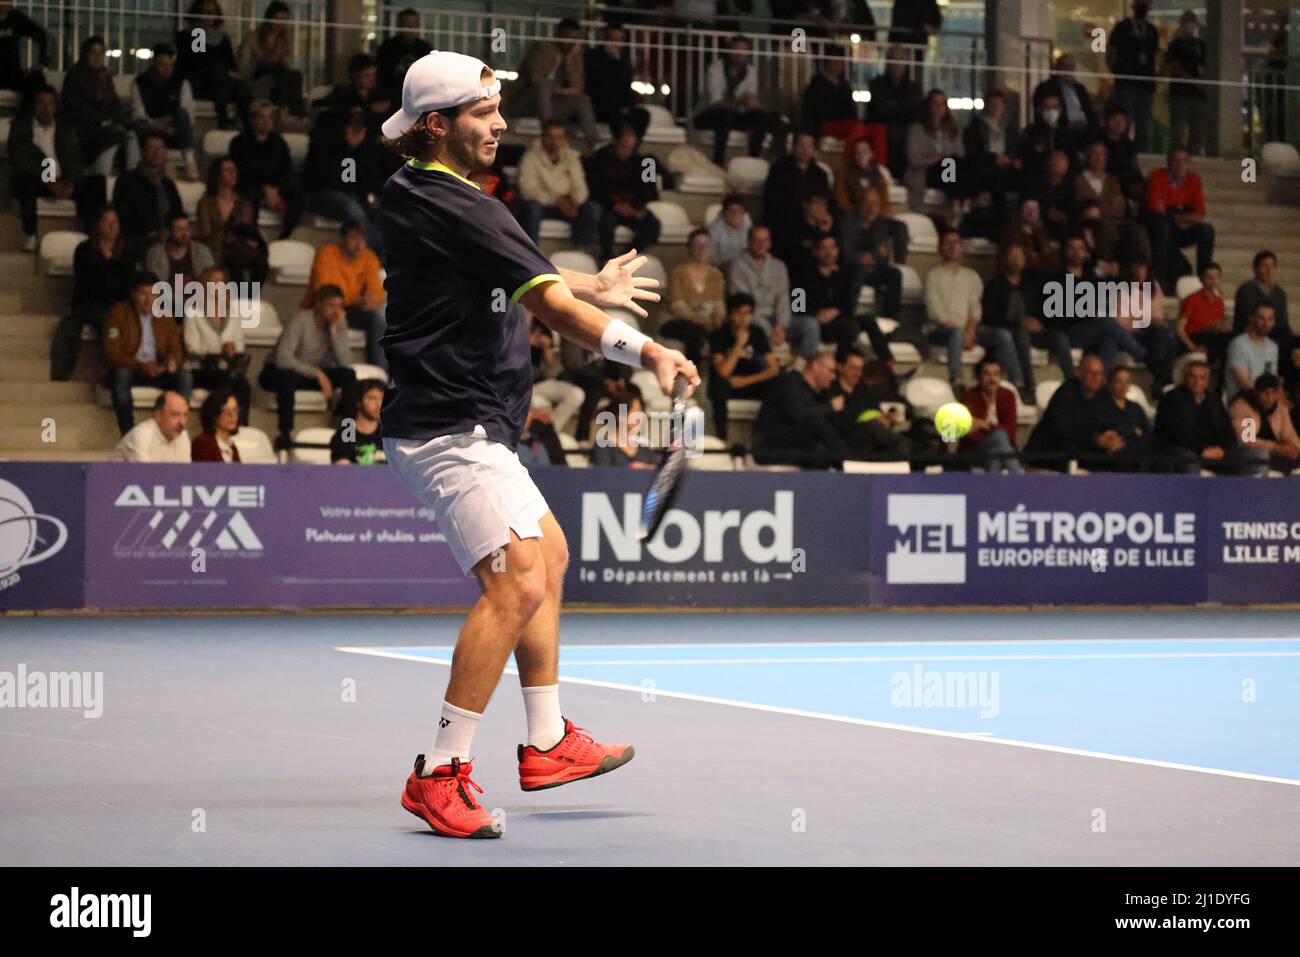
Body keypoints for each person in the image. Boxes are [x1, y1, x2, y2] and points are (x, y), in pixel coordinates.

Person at [375, 51, 695, 838]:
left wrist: (582, 283)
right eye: (483, 112)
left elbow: (507, 270)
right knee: (517, 581)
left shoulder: (417, 191)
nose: (500, 123)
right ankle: (440, 770)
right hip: (450, 428)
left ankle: (548, 740)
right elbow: (544, 306)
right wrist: (645, 350)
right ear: (437, 125)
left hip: (472, 423)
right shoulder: (465, 205)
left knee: (547, 557)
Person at [924, 230, 1018, 392]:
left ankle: (1016, 382)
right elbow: (934, 309)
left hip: (967, 329)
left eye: (956, 242)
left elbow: (975, 307)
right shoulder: (933, 275)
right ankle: (957, 380)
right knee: (955, 333)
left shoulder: (971, 275)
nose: (953, 246)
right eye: (948, 243)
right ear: (940, 248)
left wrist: (970, 330)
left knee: (1003, 335)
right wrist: (961, 332)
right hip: (940, 330)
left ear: (962, 247)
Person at [259, 284, 356, 440]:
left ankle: (346, 434)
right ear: (318, 304)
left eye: (339, 306)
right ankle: (285, 433)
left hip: (308, 374)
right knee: (287, 377)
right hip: (277, 371)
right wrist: (317, 374)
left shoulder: (338, 324)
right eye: (331, 305)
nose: (335, 311)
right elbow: (283, 359)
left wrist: (335, 333)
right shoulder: (300, 320)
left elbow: (345, 362)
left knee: (348, 376)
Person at [103, 272, 193, 436]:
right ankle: (128, 434)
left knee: (184, 375)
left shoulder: (165, 315)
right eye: (143, 294)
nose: (148, 299)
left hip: (157, 369)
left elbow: (176, 350)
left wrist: (170, 362)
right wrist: (140, 366)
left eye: (153, 294)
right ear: (133, 294)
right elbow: (113, 352)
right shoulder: (118, 313)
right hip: (131, 367)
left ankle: (174, 427)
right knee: (121, 375)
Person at [6, 86, 95, 251]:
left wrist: (70, 182)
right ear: (33, 106)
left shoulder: (64, 129)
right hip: (37, 178)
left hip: (60, 179)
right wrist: (49, 181)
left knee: (94, 184)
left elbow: (74, 159)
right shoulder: (21, 128)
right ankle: (31, 234)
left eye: (50, 104)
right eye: (41, 104)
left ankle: (91, 234)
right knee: (26, 180)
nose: (46, 109)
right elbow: (24, 159)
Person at [50, 206, 133, 380]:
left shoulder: (127, 254)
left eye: (115, 222)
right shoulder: (84, 250)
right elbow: (87, 284)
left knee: (119, 321)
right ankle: (110, 372)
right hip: (90, 305)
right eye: (107, 221)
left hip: (117, 306)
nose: (112, 226)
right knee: (109, 324)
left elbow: (127, 285)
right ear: (98, 226)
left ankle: (117, 371)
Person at [304, 105, 389, 257]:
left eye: (360, 126)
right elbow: (323, 179)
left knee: (381, 210)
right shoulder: (327, 145)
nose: (356, 131)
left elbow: (371, 181)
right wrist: (349, 149)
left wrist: (358, 150)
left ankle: (385, 260)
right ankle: (366, 259)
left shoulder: (368, 148)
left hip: (357, 196)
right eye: (352, 125)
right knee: (353, 211)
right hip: (325, 195)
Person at [302, 220, 387, 372]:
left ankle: (379, 372)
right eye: (353, 238)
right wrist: (357, 298)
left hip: (353, 309)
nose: (358, 244)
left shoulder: (369, 257)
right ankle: (333, 372)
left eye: (362, 239)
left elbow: (376, 293)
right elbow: (325, 292)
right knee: (333, 314)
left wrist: (370, 300)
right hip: (322, 308)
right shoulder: (326, 254)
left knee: (379, 317)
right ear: (341, 239)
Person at [692, 34, 788, 167]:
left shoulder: (750, 71)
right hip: (708, 116)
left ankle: (754, 159)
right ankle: (718, 161)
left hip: (736, 115)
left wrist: (753, 105)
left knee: (762, 117)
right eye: (736, 50)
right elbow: (716, 103)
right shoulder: (716, 69)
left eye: (743, 50)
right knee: (725, 115)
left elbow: (749, 100)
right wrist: (741, 101)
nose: (739, 54)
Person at [1155, 359, 1263, 474]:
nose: (1197, 382)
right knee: (1189, 460)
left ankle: (1249, 491)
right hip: (1183, 450)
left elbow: (1226, 429)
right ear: (1185, 378)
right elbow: (1176, 434)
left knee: (1256, 455)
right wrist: (1201, 450)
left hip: (1214, 450)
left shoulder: (1213, 399)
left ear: (1208, 380)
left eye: (1202, 378)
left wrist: (1224, 449)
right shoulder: (1171, 398)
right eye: (1193, 377)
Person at [981, 243, 1059, 396]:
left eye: (1020, 256)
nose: (1017, 260)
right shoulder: (994, 285)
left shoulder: (1031, 285)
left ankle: (1069, 380)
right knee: (1021, 334)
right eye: (1013, 256)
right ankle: (1029, 384)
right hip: (1008, 329)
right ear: (1005, 260)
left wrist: (1039, 321)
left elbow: (1042, 308)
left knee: (1059, 337)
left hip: (1032, 330)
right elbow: (990, 316)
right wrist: (1018, 322)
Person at [507, 17, 598, 146]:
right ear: (559, 35)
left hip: (552, 103)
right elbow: (534, 78)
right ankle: (551, 137)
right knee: (543, 90)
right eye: (567, 37)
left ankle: (593, 142)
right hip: (525, 100)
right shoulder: (543, 48)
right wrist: (558, 89)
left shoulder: (574, 55)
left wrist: (568, 61)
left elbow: (578, 87)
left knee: (583, 100)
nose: (570, 42)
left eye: (574, 38)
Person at [839, 184, 904, 360]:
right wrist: (868, 256)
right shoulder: (848, 221)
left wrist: (871, 256)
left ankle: (892, 323)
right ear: (859, 204)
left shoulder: (881, 224)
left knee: (894, 274)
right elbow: (846, 254)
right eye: (867, 202)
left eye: (875, 203)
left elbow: (882, 255)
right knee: (858, 270)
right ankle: (848, 318)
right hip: (849, 271)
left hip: (873, 270)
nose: (871, 207)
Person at [753, 349, 846, 468]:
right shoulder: (788, 382)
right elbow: (796, 415)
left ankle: (847, 461)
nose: (833, 377)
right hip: (770, 446)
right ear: (816, 366)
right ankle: (847, 461)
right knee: (817, 432)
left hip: (798, 445)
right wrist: (830, 407)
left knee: (821, 450)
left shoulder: (820, 395)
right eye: (831, 371)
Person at [516, 118, 600, 249]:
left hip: (567, 205)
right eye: (550, 137)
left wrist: (574, 201)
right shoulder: (530, 157)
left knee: (591, 208)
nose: (555, 142)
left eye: (559, 137)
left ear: (565, 138)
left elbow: (580, 186)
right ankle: (532, 254)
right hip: (543, 205)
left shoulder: (572, 156)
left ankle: (581, 252)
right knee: (532, 209)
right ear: (543, 137)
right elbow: (528, 190)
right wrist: (555, 200)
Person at [183, 265, 251, 423]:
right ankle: (218, 425)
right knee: (227, 382)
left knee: (243, 385)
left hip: (226, 369)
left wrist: (232, 350)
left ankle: (241, 428)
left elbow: (240, 346)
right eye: (213, 282)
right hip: (201, 369)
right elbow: (191, 348)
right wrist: (219, 351)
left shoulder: (232, 313)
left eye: (221, 282)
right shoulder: (193, 312)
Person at [583, 124, 661, 261]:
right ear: (615, 142)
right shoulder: (600, 157)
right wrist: (614, 204)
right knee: (606, 223)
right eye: (623, 146)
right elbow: (594, 188)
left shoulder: (645, 162)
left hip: (633, 208)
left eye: (630, 148)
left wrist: (637, 208)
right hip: (609, 206)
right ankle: (606, 257)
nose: (626, 151)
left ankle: (626, 257)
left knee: (653, 224)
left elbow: (650, 192)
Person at [229, 98, 304, 239]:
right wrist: (265, 188)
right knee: (249, 195)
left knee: (298, 193)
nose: (267, 121)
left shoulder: (279, 142)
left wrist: (274, 188)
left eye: (270, 117)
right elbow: (243, 172)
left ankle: (285, 236)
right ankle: (252, 239)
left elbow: (286, 169)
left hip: (274, 187)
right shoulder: (239, 143)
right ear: (252, 119)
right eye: (262, 117)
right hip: (250, 186)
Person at [709, 292, 779, 439]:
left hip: (749, 381)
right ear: (730, 315)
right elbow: (723, 372)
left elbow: (774, 369)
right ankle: (722, 438)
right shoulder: (720, 335)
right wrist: (739, 344)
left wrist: (745, 381)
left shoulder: (757, 333)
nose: (743, 318)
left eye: (747, 313)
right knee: (719, 385)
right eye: (738, 313)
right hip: (728, 383)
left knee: (779, 384)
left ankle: (764, 439)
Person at [1145, 148, 1214, 294]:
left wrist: (1175, 216)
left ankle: (1205, 278)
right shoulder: (1157, 177)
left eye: (1184, 161)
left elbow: (1199, 214)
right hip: (1158, 228)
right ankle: (1160, 278)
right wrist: (1183, 215)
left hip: (1180, 228)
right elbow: (1158, 211)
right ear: (1168, 162)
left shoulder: (1193, 180)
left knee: (1207, 230)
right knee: (1163, 226)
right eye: (1176, 160)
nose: (1180, 164)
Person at [1024, 353, 1111, 467]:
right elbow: (1063, 433)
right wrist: (1095, 440)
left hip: (1084, 449)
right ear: (1079, 373)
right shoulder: (1065, 394)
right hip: (1049, 451)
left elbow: (1108, 421)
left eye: (1099, 373)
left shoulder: (1103, 394)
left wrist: (1111, 437)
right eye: (1090, 372)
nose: (1095, 377)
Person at [60, 35, 130, 176]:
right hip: (83, 129)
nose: (98, 57)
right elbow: (76, 109)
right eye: (93, 52)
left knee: (133, 134)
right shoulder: (75, 76)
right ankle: (101, 177)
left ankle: (131, 179)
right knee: (115, 138)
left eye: (101, 53)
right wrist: (105, 121)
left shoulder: (105, 76)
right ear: (85, 54)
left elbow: (114, 104)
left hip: (104, 127)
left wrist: (120, 120)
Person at [127, 42, 197, 178]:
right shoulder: (139, 84)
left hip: (174, 131)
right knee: (139, 123)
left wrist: (169, 123)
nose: (167, 69)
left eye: (170, 65)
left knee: (182, 116)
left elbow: (186, 113)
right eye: (162, 64)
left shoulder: (181, 83)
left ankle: (190, 163)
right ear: (153, 63)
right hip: (151, 130)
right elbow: (139, 115)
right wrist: (161, 124)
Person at [659, 228, 725, 370]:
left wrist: (717, 318)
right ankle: (690, 375)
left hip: (706, 321)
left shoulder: (716, 275)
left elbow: (719, 304)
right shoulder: (678, 273)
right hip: (677, 321)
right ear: (690, 248)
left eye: (706, 245)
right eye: (697, 245)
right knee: (695, 333)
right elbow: (677, 305)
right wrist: (699, 319)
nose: (702, 249)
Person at [112, 128, 183, 259]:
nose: (156, 153)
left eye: (160, 148)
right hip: (138, 239)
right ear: (143, 152)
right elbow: (123, 216)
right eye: (152, 148)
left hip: (168, 239)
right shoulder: (127, 181)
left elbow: (178, 213)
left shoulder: (168, 184)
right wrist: (153, 233)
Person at [176, 0, 248, 130]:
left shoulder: (222, 38)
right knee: (216, 71)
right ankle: (223, 121)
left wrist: (230, 73)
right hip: (198, 82)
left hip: (220, 82)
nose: (208, 16)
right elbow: (197, 61)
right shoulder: (189, 35)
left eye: (211, 12)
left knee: (241, 86)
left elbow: (231, 64)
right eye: (204, 12)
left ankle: (246, 125)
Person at [1107, 0, 1160, 152]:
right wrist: (1117, 73)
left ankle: (1141, 154)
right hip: (1126, 82)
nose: (1144, 5)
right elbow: (1111, 52)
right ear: (1133, 5)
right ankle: (1122, 152)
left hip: (1146, 83)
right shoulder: (1122, 27)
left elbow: (1155, 56)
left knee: (1144, 124)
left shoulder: (1151, 29)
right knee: (1124, 121)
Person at [762, 130, 831, 245]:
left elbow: (824, 200)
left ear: (813, 149)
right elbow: (771, 199)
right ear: (794, 147)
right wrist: (803, 208)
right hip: (785, 221)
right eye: (801, 145)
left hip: (813, 221)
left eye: (809, 146)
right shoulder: (778, 170)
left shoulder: (820, 174)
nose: (805, 150)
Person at [904, 88, 967, 214]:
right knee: (951, 164)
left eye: (942, 104)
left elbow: (960, 154)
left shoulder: (952, 129)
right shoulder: (917, 129)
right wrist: (935, 160)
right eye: (935, 103)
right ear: (928, 105)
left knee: (958, 164)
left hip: (949, 170)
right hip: (928, 171)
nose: (939, 107)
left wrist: (945, 159)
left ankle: (961, 200)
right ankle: (960, 200)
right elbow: (914, 158)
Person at [584, 21, 648, 142]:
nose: (616, 43)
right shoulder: (593, 56)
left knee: (642, 115)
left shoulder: (624, 58)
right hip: (600, 104)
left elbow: (625, 83)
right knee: (616, 116)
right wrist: (614, 62)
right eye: (612, 38)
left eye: (620, 39)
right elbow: (600, 83)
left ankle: (633, 148)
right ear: (605, 38)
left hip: (620, 104)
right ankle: (620, 148)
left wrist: (628, 104)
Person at [236, 0, 303, 116]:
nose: (280, 24)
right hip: (257, 73)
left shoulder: (285, 39)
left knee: (295, 76)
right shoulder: (253, 37)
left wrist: (282, 58)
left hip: (279, 74)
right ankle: (281, 108)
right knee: (279, 70)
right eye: (277, 19)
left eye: (284, 20)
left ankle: (296, 113)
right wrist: (266, 59)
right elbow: (243, 67)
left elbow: (289, 66)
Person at [866, 44, 923, 179]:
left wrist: (893, 106)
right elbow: (880, 111)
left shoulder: (912, 87)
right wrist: (900, 108)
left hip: (905, 135)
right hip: (882, 132)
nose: (897, 65)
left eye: (901, 60)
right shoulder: (877, 84)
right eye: (894, 60)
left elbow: (914, 112)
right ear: (888, 62)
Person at [959, 357, 1022, 473]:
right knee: (999, 437)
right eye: (987, 374)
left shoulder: (1008, 395)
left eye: (996, 374)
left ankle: (994, 487)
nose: (992, 379)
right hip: (975, 451)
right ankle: (1020, 478)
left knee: (997, 445)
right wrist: (987, 430)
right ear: (979, 377)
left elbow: (1011, 431)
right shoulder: (969, 397)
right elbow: (969, 435)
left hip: (999, 450)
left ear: (1001, 377)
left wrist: (985, 425)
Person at [1228, 374, 1300, 473]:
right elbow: (1247, 440)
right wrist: (1277, 447)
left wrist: (1295, 448)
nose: (1269, 397)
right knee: (1261, 455)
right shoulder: (1244, 406)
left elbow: (1288, 433)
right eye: (1265, 393)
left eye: (1273, 393)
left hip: (1274, 450)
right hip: (1244, 452)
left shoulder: (1280, 407)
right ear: (1256, 392)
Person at [194, 155, 256, 269]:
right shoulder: (205, 203)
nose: (233, 174)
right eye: (227, 170)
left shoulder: (244, 204)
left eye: (234, 170)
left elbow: (247, 233)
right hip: (211, 256)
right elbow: (204, 233)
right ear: (217, 175)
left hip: (236, 257)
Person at [800, 47, 870, 146]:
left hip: (846, 127)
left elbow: (852, 111)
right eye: (835, 62)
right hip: (824, 127)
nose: (838, 65)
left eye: (840, 62)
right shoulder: (816, 86)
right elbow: (813, 114)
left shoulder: (844, 86)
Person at [1175, 261, 1232, 373]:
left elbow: (1219, 324)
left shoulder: (1219, 301)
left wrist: (1216, 327)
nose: (1213, 281)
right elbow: (1180, 329)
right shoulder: (1192, 299)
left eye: (1216, 277)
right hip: (1195, 337)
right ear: (1201, 280)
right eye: (1209, 277)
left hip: (1212, 338)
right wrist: (1193, 348)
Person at [1164, 10, 1207, 156]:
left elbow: (1208, 68)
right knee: (1177, 130)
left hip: (1198, 96)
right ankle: (1175, 159)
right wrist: (1189, 78)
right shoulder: (1175, 45)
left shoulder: (1202, 46)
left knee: (1198, 130)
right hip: (1179, 94)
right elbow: (1170, 67)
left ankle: (1194, 159)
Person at [1092, 365, 1151, 469]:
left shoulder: (1135, 408)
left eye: (1127, 382)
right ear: (1109, 383)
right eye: (1119, 381)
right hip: (1115, 457)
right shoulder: (1101, 406)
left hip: (1139, 453)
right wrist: (1133, 431)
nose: (1123, 386)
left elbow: (1146, 432)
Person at [112, 390, 192, 462]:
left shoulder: (183, 436)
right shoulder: (141, 435)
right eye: (175, 414)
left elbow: (186, 475)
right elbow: (144, 476)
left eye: (185, 415)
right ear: (158, 415)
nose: (182, 422)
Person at [590, 388, 659, 468]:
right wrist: (631, 468)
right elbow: (602, 475)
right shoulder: (603, 446)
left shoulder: (643, 448)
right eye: (635, 412)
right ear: (620, 415)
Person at [145, 212, 215, 289]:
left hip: (197, 298)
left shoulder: (201, 251)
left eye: (187, 228)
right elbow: (154, 285)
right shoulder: (156, 253)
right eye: (179, 229)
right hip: (167, 299)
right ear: (169, 231)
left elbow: (211, 280)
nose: (185, 233)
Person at [1031, 54, 1096, 137]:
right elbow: (1046, 116)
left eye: (1071, 66)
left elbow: (1089, 110)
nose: (1068, 69)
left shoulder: (1080, 89)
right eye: (1064, 66)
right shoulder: (1046, 88)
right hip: (1062, 134)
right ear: (1057, 68)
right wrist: (1066, 125)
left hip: (1085, 132)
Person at [1225, 304, 1280, 399]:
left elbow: (1272, 378)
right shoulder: (1238, 345)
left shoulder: (1273, 347)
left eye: (1270, 319)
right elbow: (1245, 382)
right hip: (1242, 400)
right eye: (1261, 318)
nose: (1266, 324)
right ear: (1252, 318)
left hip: (1265, 400)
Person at [376, 7, 432, 98]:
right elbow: (381, 77)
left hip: (418, 95)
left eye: (415, 24)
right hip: (392, 96)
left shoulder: (425, 48)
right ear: (399, 25)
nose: (412, 27)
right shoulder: (387, 48)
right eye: (407, 23)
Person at [833, 135, 894, 215]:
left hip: (876, 215)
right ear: (854, 155)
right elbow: (841, 201)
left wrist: (882, 213)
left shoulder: (878, 173)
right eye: (858, 152)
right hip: (853, 214)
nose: (862, 155)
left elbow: (884, 200)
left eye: (865, 151)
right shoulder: (844, 172)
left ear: (871, 154)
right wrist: (859, 212)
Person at [331, 378, 385, 464]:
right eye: (371, 398)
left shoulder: (390, 435)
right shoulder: (346, 435)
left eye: (382, 398)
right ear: (358, 402)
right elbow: (343, 472)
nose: (379, 404)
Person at [0, 0, 47, 97]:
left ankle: (25, 112)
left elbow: (40, 34)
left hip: (12, 75)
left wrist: (41, 62)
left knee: (37, 79)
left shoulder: (15, 17)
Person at [191, 387, 242, 462]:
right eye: (226, 410)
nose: (232, 415)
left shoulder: (232, 447)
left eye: (235, 410)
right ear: (214, 414)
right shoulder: (202, 443)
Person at [706, 192, 752, 269]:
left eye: (739, 211)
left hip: (744, 266)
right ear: (724, 212)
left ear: (744, 213)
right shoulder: (714, 230)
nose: (735, 214)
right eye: (731, 210)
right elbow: (711, 258)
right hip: (721, 268)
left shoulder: (747, 223)